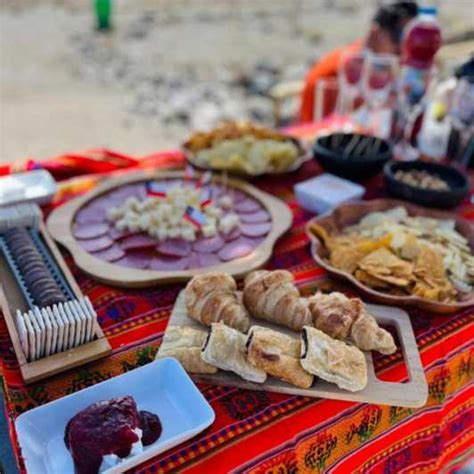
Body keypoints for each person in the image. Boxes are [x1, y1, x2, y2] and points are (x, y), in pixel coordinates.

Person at [298, 1, 418, 123]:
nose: (404, 46)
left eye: (413, 37)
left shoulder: (379, 61)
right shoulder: (350, 67)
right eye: (399, 36)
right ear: (375, 32)